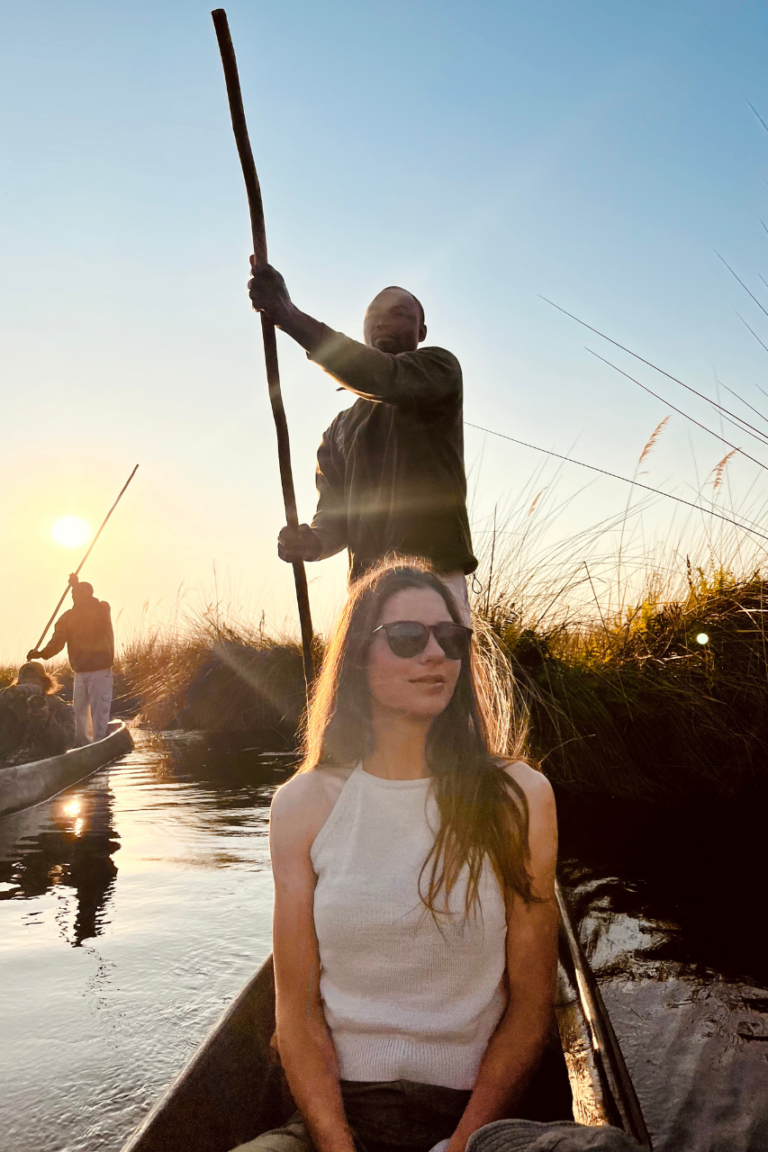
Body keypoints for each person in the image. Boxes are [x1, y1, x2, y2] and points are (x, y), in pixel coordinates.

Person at [231, 559, 559, 1152]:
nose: (436, 655)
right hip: (343, 1113)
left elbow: (533, 1007)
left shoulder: (519, 796)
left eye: (452, 639)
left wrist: (460, 1145)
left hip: (479, 1116)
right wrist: (336, 1143)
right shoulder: (304, 805)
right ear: (358, 657)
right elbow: (297, 1017)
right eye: (408, 639)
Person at [248, 265, 477, 623]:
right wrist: (313, 542)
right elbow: (334, 517)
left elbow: (384, 376)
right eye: (374, 316)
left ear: (421, 331)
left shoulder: (439, 369)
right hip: (368, 589)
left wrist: (289, 317)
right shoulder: (339, 430)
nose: (384, 322)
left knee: (441, 674)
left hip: (434, 575)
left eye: (399, 314)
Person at [27, 574, 114, 745]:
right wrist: (41, 654)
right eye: (74, 594)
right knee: (80, 713)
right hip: (80, 673)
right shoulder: (67, 617)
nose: (75, 596)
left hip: (100, 672)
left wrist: (76, 586)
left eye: (80, 593)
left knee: (99, 711)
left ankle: (100, 743)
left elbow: (88, 602)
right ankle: (85, 746)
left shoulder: (101, 608)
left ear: (88, 593)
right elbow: (57, 641)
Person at [0, 662, 76, 764]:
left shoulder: (61, 708)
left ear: (45, 684)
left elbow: (68, 741)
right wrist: (10, 693)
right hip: (8, 760)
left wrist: (46, 719)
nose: (30, 686)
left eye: (34, 682)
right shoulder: (10, 705)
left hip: (44, 761)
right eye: (26, 684)